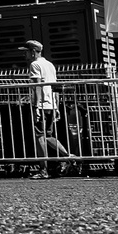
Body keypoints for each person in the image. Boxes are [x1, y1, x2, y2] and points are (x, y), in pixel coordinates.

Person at [23, 40, 72, 178]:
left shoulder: (35, 64)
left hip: (42, 105)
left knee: (40, 137)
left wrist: (35, 106)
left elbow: (37, 86)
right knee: (48, 135)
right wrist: (56, 106)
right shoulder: (50, 65)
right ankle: (67, 156)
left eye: (26, 51)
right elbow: (55, 87)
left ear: (33, 52)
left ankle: (43, 170)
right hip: (50, 104)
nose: (24, 54)